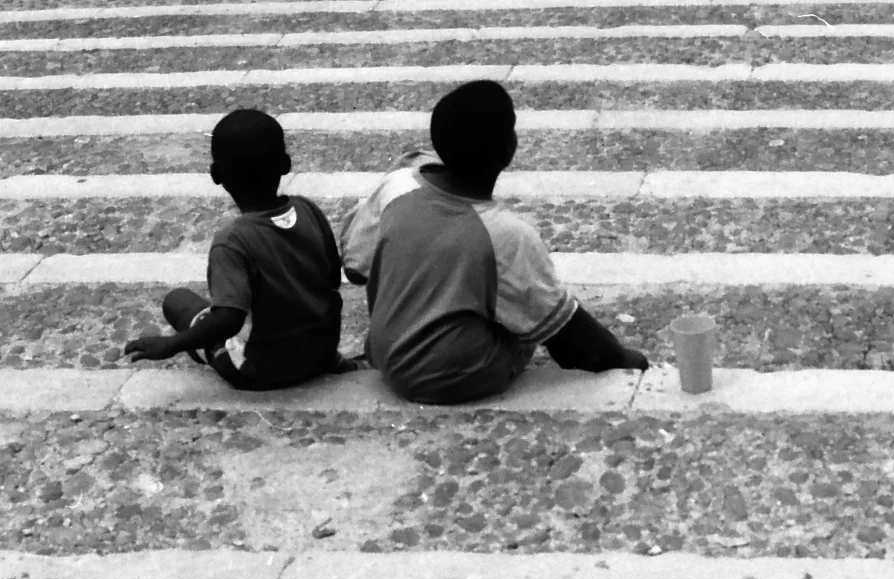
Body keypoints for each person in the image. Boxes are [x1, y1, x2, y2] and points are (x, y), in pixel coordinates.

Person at [341, 80, 648, 405]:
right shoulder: (506, 235)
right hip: (446, 377)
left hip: (385, 354)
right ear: (507, 150)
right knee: (523, 312)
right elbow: (567, 334)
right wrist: (624, 358)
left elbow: (356, 268)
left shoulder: (397, 185)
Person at [124, 108, 355, 387]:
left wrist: (171, 344)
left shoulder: (232, 242)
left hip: (263, 370)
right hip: (321, 351)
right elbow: (332, 277)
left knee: (177, 302)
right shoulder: (309, 210)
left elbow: (229, 321)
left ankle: (217, 354)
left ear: (216, 174)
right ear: (285, 164)